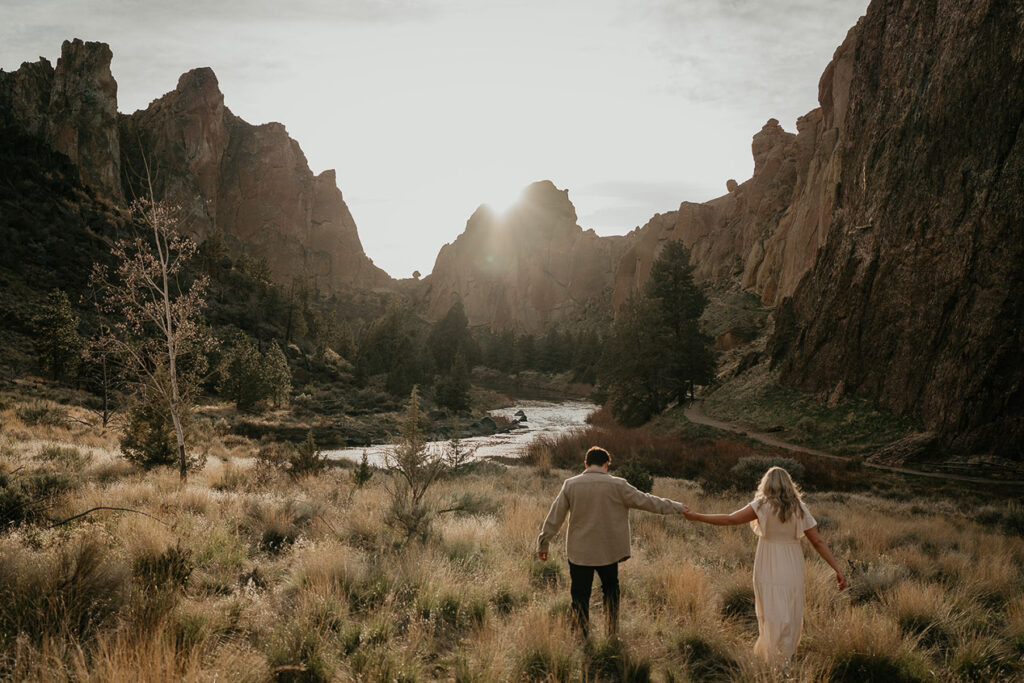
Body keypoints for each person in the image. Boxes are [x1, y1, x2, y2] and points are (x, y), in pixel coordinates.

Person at [683, 466, 846, 662]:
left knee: (770, 613)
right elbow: (818, 542)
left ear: (766, 484)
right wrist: (837, 569)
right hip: (792, 566)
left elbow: (730, 519)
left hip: (768, 564)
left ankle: (771, 660)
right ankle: (783, 660)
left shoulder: (761, 506)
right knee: (790, 614)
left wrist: (697, 516)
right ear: (789, 485)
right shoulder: (800, 509)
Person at [536, 446, 687, 638]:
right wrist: (678, 507)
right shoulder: (618, 485)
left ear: (586, 464)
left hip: (580, 554)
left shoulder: (570, 484)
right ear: (606, 465)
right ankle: (611, 633)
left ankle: (582, 638)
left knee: (580, 597)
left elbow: (554, 517)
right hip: (608, 553)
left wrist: (543, 543)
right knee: (611, 593)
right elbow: (648, 501)